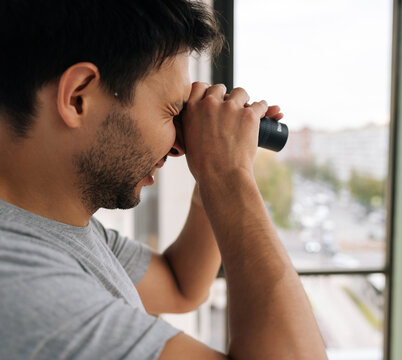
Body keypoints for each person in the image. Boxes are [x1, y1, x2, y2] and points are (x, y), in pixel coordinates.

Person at [0, 0, 327, 359]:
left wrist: (211, 174)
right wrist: (230, 174)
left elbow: (181, 284)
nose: (178, 145)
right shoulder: (24, 284)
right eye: (172, 111)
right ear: (78, 97)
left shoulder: (52, 225)